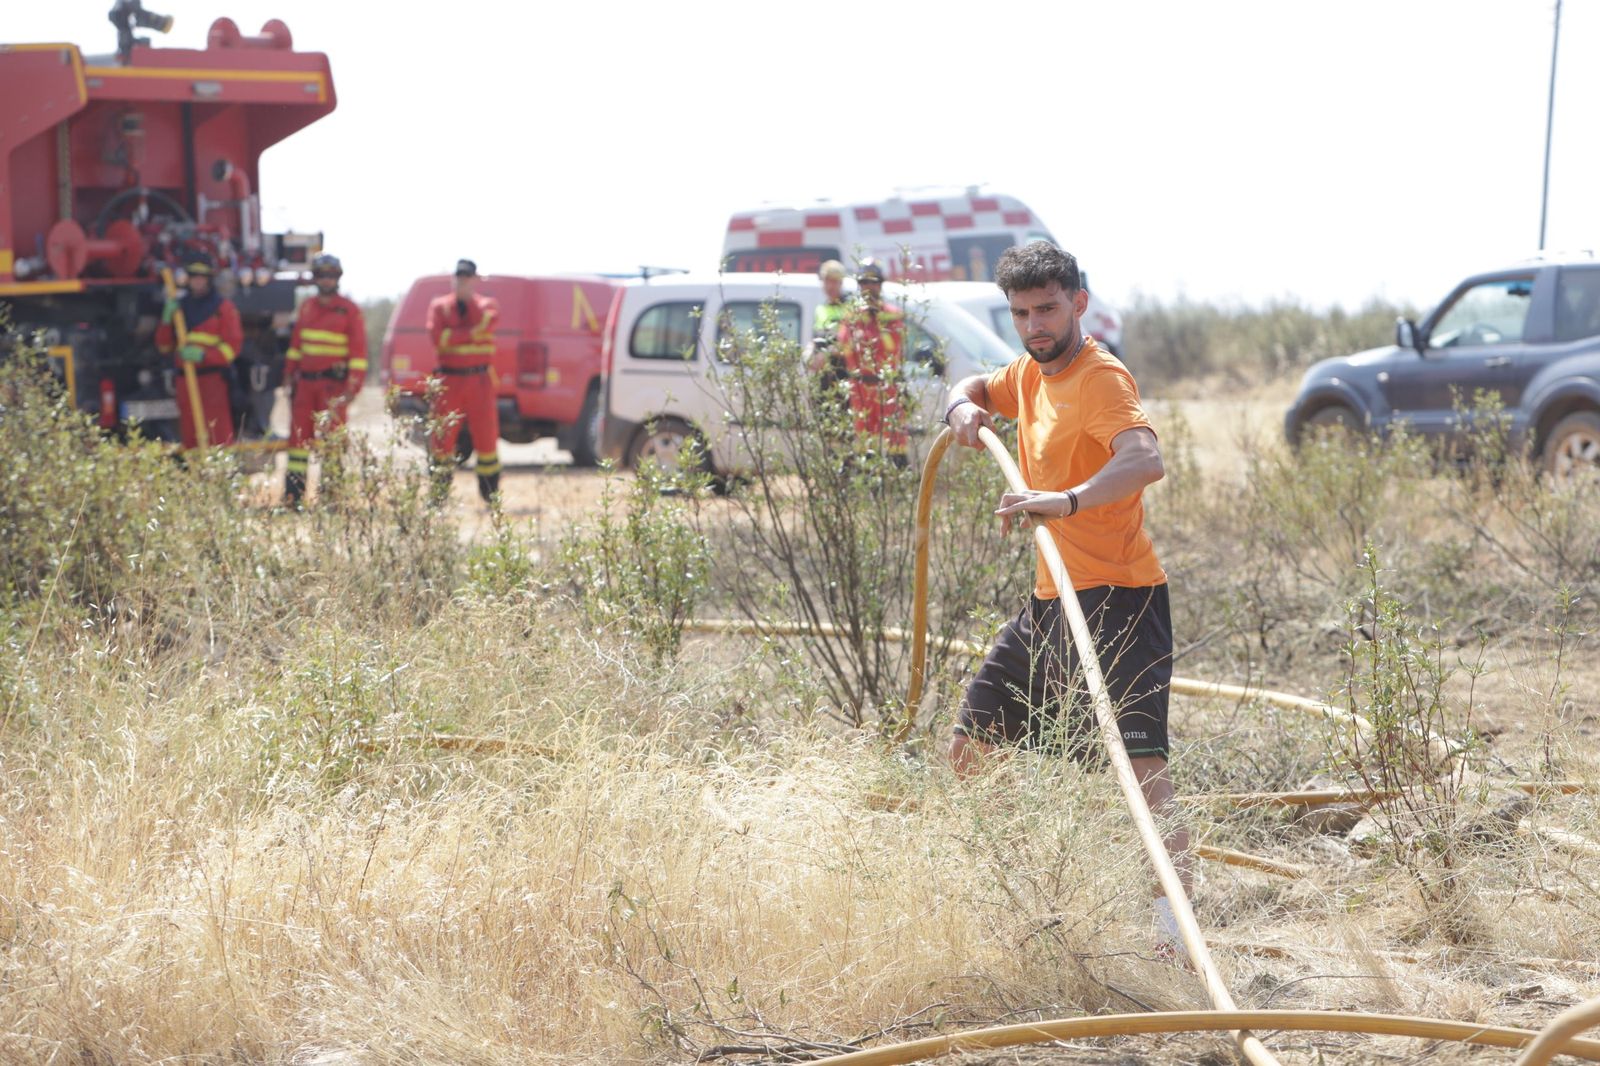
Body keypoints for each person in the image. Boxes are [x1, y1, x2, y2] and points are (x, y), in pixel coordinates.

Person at [942, 240, 1190, 963]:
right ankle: (1029, 899)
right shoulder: (1028, 372)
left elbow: (1146, 459)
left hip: (1120, 598)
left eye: (1047, 308)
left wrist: (1067, 499)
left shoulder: (1100, 376)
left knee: (1142, 770)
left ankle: (1174, 941)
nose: (1035, 324)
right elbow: (973, 386)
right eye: (1021, 313)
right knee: (970, 746)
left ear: (1079, 302)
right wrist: (960, 406)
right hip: (1052, 600)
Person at [282, 254, 367, 508]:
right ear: (315, 278)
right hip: (305, 386)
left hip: (334, 388)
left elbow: (359, 354)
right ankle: (292, 499)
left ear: (338, 278)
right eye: (322, 275)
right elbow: (296, 347)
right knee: (298, 443)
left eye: (331, 275)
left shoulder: (349, 310)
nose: (327, 280)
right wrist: (288, 375)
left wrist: (352, 389)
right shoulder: (307, 307)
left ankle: (332, 501)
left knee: (332, 443)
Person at [425, 259, 501, 504]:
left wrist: (455, 332)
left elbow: (487, 321)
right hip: (449, 381)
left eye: (468, 277)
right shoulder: (439, 307)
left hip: (480, 381)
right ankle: (438, 496)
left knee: (487, 437)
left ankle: (490, 494)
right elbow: (438, 338)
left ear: (475, 280)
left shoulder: (487, 304)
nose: (463, 281)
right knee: (442, 439)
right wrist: (469, 333)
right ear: (453, 278)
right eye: (459, 276)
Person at [155, 253, 242, 450]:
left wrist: (205, 356)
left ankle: (220, 478)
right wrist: (166, 320)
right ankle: (196, 477)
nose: (198, 281)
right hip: (186, 381)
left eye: (202, 277)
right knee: (191, 438)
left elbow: (232, 348)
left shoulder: (223, 308)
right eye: (194, 277)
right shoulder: (179, 308)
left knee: (217, 434)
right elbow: (164, 346)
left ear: (209, 279)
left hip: (213, 383)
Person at [834, 259, 908, 462]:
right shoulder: (851, 316)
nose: (869, 287)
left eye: (873, 282)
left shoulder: (892, 314)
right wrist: (859, 333)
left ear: (880, 284)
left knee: (895, 442)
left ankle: (898, 480)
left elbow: (894, 346)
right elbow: (844, 347)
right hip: (860, 388)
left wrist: (875, 326)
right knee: (865, 443)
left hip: (887, 386)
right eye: (864, 283)